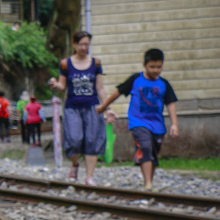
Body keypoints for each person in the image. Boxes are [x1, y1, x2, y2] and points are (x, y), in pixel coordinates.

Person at [96, 48, 179, 191]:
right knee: (145, 147)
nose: (155, 70)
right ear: (144, 65)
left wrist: (174, 124)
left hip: (157, 125)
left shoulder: (164, 84)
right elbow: (118, 92)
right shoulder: (136, 80)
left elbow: (171, 103)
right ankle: (148, 184)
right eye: (152, 67)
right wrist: (104, 106)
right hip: (138, 122)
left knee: (153, 153)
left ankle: (149, 182)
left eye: (159, 67)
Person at [48, 31, 108, 187]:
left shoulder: (96, 63)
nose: (84, 47)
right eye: (81, 44)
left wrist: (106, 107)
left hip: (93, 107)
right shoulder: (65, 63)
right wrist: (55, 84)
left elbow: (100, 88)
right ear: (74, 44)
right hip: (72, 107)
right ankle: (75, 164)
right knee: (74, 140)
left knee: (92, 141)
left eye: (86, 44)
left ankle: (89, 177)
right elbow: (62, 86)